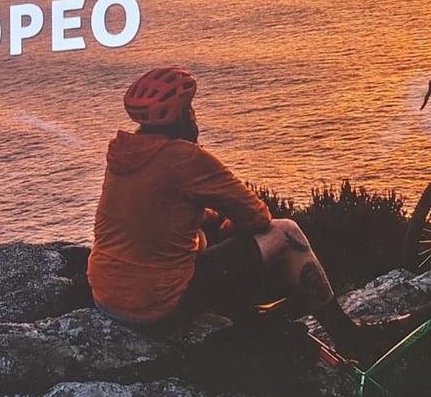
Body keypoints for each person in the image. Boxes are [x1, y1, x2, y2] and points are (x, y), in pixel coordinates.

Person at [88, 66, 385, 361]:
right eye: (189, 109)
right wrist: (229, 224)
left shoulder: (123, 154)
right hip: (155, 306)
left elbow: (153, 213)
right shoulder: (186, 158)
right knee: (286, 232)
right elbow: (257, 217)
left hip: (107, 297)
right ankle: (348, 336)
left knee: (203, 237)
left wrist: (211, 220)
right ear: (179, 116)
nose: (194, 115)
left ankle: (254, 313)